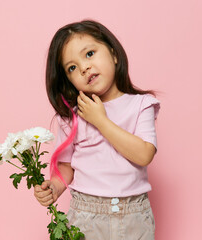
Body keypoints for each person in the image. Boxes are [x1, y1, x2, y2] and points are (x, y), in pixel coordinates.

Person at [34, 19, 160, 240]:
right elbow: (66, 166)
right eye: (72, 68)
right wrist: (54, 187)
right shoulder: (72, 116)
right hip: (86, 216)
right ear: (68, 81)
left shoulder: (141, 105)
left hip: (134, 217)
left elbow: (144, 154)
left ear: (113, 54)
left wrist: (100, 121)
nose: (84, 67)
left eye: (90, 54)